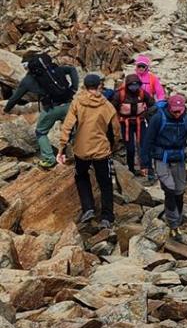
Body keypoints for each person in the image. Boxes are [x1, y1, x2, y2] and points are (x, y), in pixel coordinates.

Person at [57, 73, 118, 228]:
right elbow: (115, 131)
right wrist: (113, 146)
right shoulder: (107, 106)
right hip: (101, 151)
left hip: (81, 150)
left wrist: (62, 148)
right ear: (99, 87)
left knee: (81, 177)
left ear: (84, 87)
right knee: (105, 183)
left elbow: (68, 126)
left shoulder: (77, 102)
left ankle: (88, 208)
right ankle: (107, 217)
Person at [3, 53, 80, 169]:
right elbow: (72, 69)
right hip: (69, 105)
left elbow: (16, 97)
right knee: (71, 131)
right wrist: (74, 88)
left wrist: (6, 109)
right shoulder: (53, 69)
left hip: (51, 108)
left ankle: (49, 159)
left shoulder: (28, 80)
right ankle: (79, 155)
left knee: (41, 132)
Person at [140, 93, 187, 231]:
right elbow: (147, 141)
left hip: (178, 158)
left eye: (180, 111)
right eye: (174, 111)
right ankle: (173, 222)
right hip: (161, 157)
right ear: (169, 108)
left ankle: (177, 218)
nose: (177, 114)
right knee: (169, 188)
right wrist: (145, 164)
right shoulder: (157, 119)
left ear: (184, 108)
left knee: (179, 190)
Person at [109, 73, 155, 175]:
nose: (134, 87)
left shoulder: (143, 93)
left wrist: (148, 116)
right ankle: (131, 170)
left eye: (136, 84)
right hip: (125, 123)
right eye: (131, 85)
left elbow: (152, 105)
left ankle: (147, 169)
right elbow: (111, 108)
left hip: (140, 122)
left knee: (145, 145)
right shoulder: (119, 95)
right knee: (130, 148)